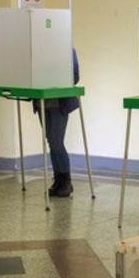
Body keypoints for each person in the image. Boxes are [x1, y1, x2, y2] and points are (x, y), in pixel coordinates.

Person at [33, 49, 80, 198]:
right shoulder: (37, 50)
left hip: (59, 102)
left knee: (57, 142)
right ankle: (58, 180)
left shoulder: (67, 49)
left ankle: (66, 181)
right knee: (51, 142)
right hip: (42, 102)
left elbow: (75, 76)